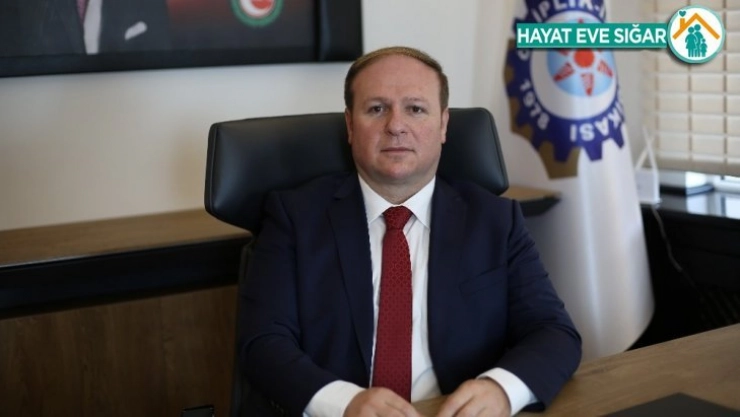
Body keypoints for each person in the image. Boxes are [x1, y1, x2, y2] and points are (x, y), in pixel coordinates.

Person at [238, 46, 582, 417]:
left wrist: (501, 390)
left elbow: (553, 332)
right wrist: (344, 403)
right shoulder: (295, 217)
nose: (396, 126)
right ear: (350, 126)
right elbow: (263, 343)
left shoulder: (495, 221)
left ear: (444, 124)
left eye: (415, 109)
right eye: (377, 109)